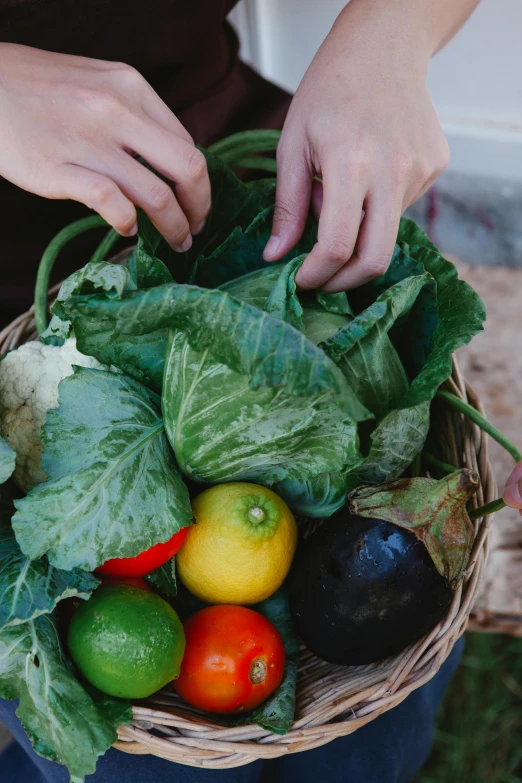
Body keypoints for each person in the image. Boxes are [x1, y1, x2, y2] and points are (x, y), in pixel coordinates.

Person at [2, 0, 517, 781]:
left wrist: (392, 33)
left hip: (236, 203)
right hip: (22, 296)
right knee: (135, 767)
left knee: (374, 734)